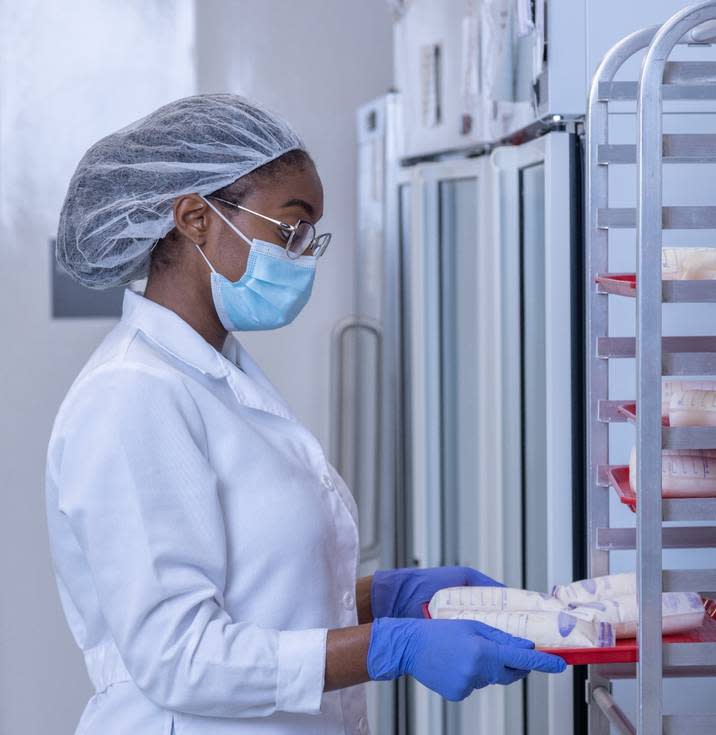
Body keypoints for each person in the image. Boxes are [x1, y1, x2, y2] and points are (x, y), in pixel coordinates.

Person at [45, 94, 565, 735]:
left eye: (309, 235)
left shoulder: (217, 376)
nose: (302, 254)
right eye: (290, 229)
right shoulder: (130, 397)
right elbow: (180, 658)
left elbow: (260, 594)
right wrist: (388, 648)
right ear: (194, 219)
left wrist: (384, 599)